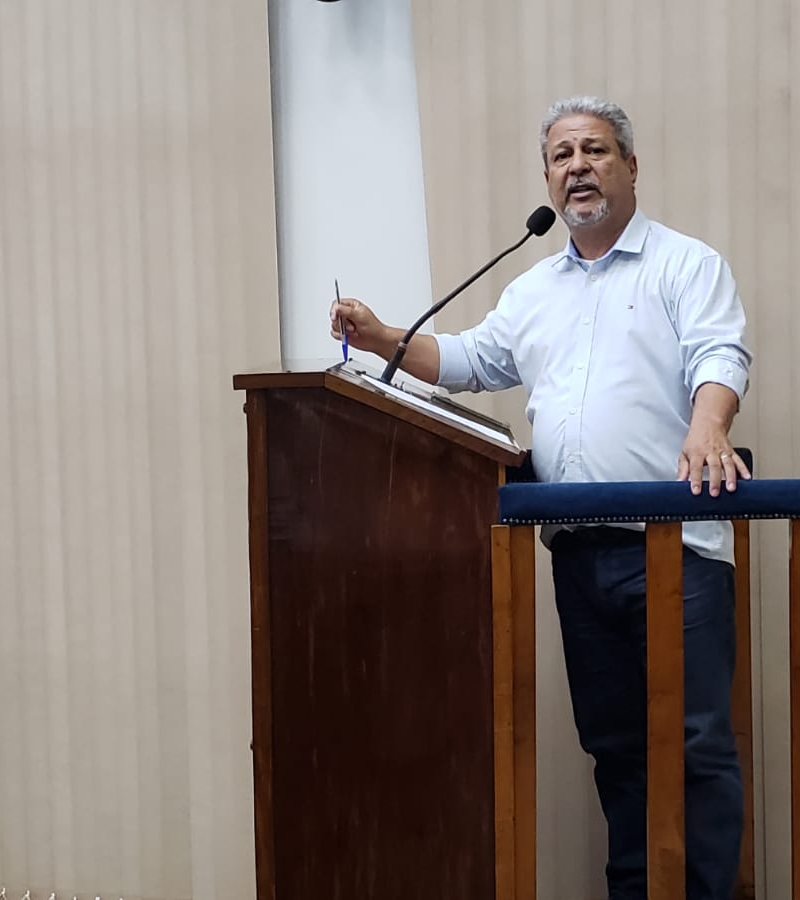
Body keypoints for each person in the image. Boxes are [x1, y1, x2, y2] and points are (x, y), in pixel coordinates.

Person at [330, 95, 751, 900]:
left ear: (631, 166)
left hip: (675, 550)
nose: (577, 167)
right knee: (616, 749)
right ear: (549, 180)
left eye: (594, 150)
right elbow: (468, 360)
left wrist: (709, 426)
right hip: (578, 553)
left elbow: (720, 353)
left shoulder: (685, 265)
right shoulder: (534, 290)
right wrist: (382, 338)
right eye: (562, 156)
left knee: (695, 746)